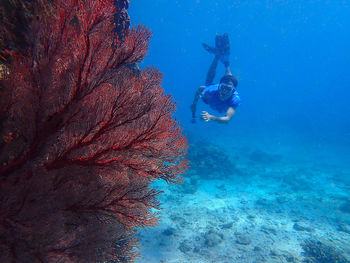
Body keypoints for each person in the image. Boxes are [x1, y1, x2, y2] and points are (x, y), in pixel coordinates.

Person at [190, 34, 241, 124]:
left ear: (233, 91)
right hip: (211, 98)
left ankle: (219, 57)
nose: (224, 92)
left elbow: (227, 120)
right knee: (209, 82)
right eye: (223, 87)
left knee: (217, 79)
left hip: (213, 100)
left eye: (228, 89)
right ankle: (224, 61)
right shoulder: (212, 91)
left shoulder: (234, 99)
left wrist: (210, 117)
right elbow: (200, 89)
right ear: (219, 87)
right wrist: (194, 103)